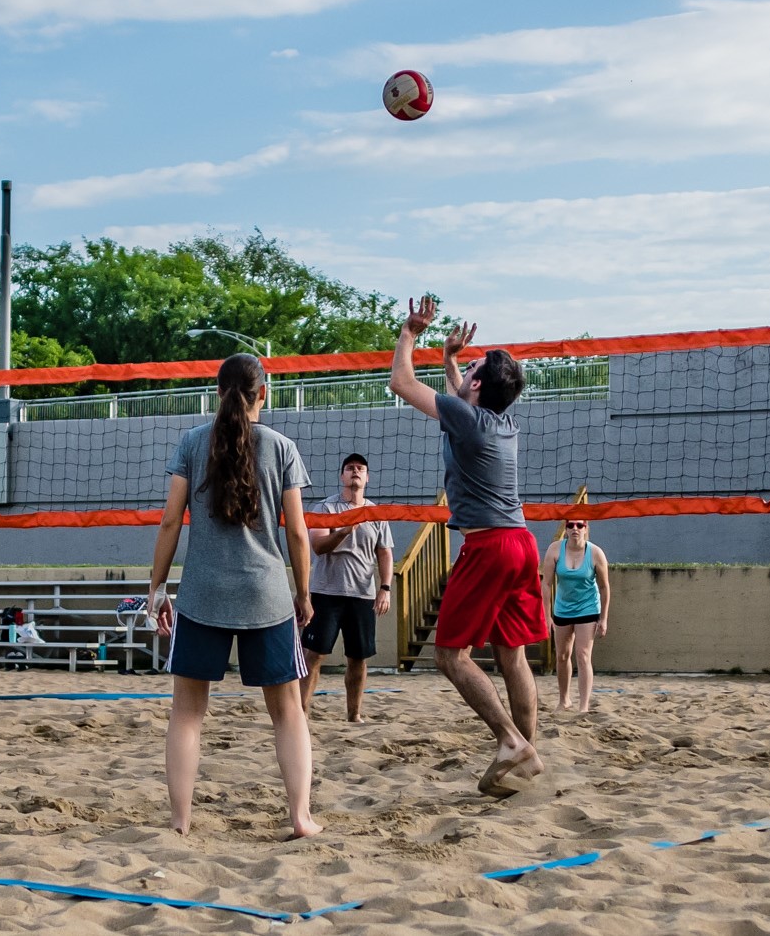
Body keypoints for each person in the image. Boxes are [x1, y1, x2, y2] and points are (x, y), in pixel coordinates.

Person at [144, 353, 318, 838]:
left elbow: (169, 521)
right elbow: (299, 534)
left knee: (187, 713)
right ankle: (300, 817)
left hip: (202, 592)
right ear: (264, 392)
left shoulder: (193, 443)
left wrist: (156, 588)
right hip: (266, 594)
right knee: (287, 711)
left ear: (216, 391)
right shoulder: (282, 446)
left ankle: (180, 821)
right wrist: (303, 593)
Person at [386, 295, 546, 797]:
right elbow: (465, 394)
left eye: (472, 367)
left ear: (478, 385)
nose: (466, 371)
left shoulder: (468, 419)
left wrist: (411, 333)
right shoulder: (502, 423)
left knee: (451, 656)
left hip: (490, 547)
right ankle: (526, 755)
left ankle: (509, 742)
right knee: (512, 654)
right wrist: (454, 359)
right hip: (522, 542)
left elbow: (401, 383)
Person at [300, 453, 394, 722]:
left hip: (362, 594)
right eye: (350, 468)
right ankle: (302, 712)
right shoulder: (326, 509)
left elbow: (384, 553)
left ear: (367, 477)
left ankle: (354, 714)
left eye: (360, 468)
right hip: (326, 592)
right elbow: (318, 546)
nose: (355, 471)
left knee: (358, 657)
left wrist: (385, 588)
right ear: (342, 476)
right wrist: (342, 531)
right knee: (314, 655)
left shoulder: (375, 512)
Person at [539, 519, 611, 714]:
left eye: (579, 525)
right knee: (562, 656)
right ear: (565, 528)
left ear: (586, 528)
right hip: (563, 608)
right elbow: (546, 584)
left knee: (583, 655)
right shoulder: (555, 550)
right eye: (570, 525)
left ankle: (584, 706)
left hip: (588, 608)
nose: (575, 529)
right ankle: (564, 701)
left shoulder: (595, 553)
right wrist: (546, 617)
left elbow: (604, 587)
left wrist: (603, 618)